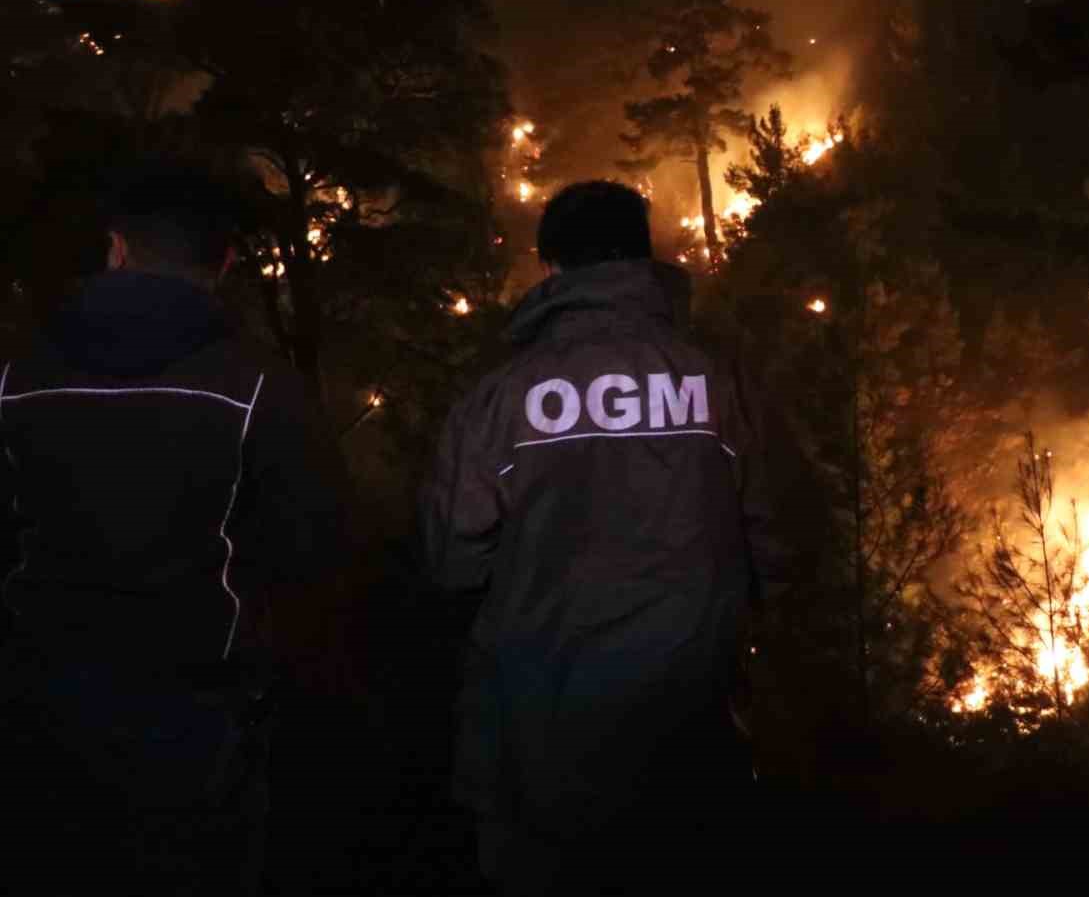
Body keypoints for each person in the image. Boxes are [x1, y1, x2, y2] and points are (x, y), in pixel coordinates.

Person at [422, 180, 794, 893]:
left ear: (552, 268)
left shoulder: (500, 397)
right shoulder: (718, 381)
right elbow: (783, 538)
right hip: (690, 731)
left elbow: (450, 559)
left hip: (539, 739)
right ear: (643, 256)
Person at [0, 159, 345, 895]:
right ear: (221, 263)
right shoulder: (261, 386)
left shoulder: (14, 377)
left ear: (116, 249)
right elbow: (312, 555)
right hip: (198, 719)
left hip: (36, 711)